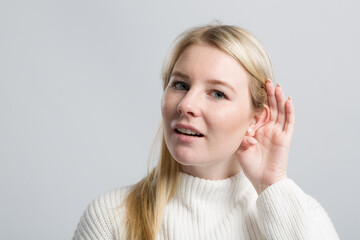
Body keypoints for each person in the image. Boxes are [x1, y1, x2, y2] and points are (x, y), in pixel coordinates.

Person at [73, 24, 339, 240]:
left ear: (256, 119)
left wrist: (271, 184)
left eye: (218, 93)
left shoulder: (305, 219)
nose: (186, 104)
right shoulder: (111, 217)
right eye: (180, 85)